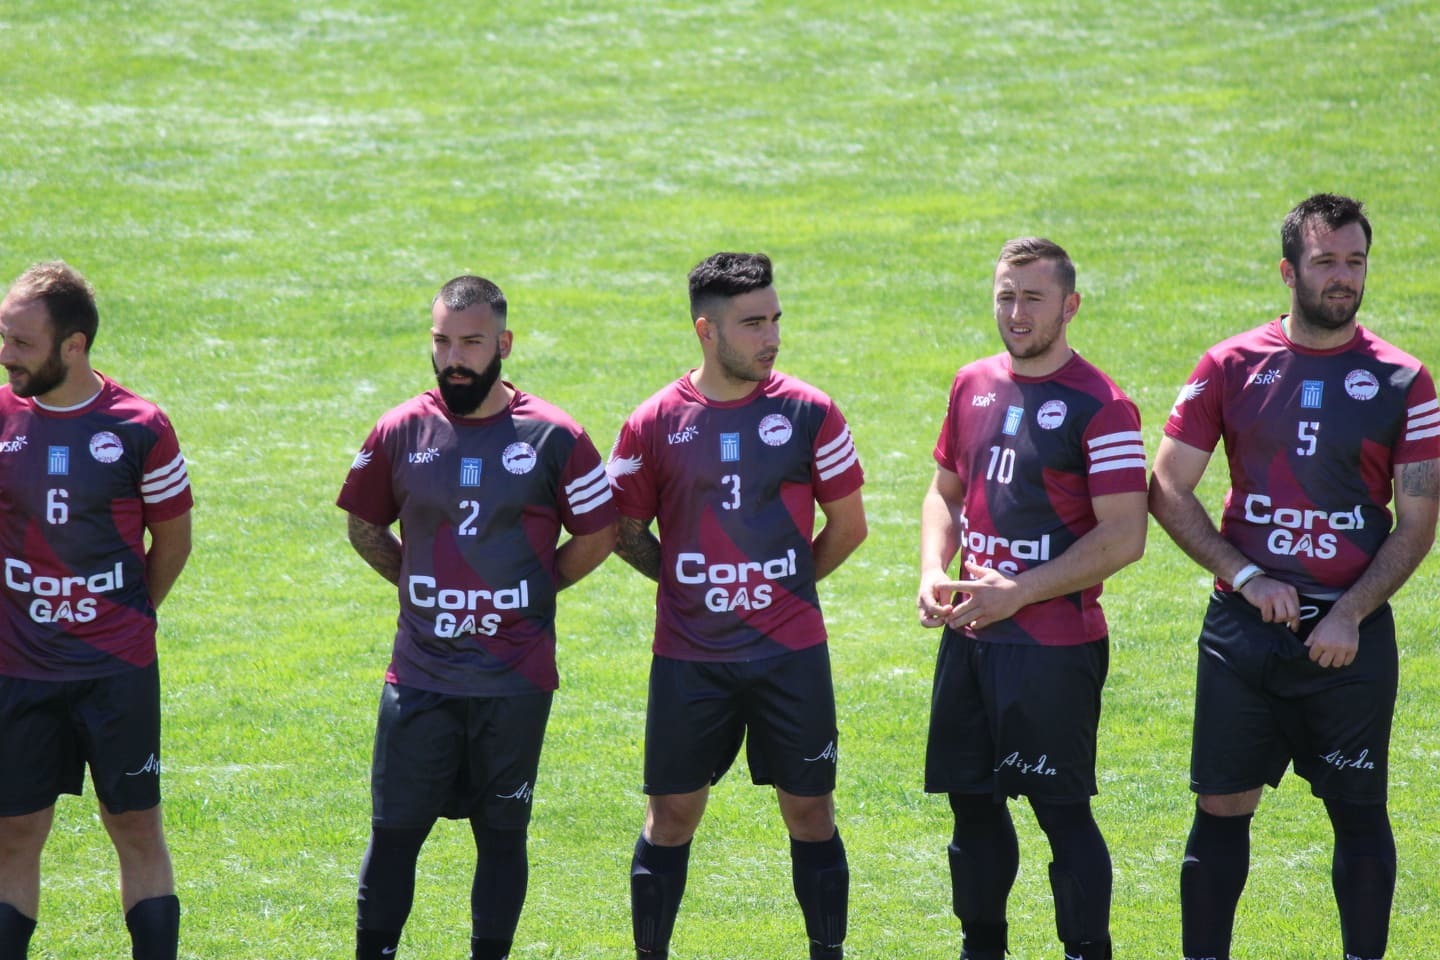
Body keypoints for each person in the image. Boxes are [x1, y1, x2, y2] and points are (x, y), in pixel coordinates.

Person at [1149, 193, 1440, 960]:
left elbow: (1417, 522)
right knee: (1221, 807)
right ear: (1289, 271)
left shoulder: (1404, 380)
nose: (1343, 277)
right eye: (1325, 261)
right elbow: (1167, 486)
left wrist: (1350, 612)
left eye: (1355, 261)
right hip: (1243, 634)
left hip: (1350, 636)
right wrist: (1245, 575)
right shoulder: (1229, 365)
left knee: (1358, 810)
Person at [337, 275, 617, 960]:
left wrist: (535, 588)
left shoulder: (554, 435)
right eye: (442, 342)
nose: (454, 358)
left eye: (470, 342)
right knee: (394, 835)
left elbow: (599, 533)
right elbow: (365, 526)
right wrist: (421, 587)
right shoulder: (401, 429)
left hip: (513, 681)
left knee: (502, 837)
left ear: (504, 343)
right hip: (421, 677)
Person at [606, 252, 867, 959]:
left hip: (790, 654)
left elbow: (849, 526)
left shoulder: (810, 412)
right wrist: (681, 583)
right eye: (753, 323)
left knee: (810, 812)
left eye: (775, 319)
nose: (772, 337)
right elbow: (621, 528)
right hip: (689, 657)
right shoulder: (654, 421)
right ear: (706, 330)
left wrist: (787, 591)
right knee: (671, 816)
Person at [916, 238, 1148, 960]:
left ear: (1070, 306)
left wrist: (1018, 593)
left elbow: (1125, 536)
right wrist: (932, 569)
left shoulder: (1102, 405)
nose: (1016, 313)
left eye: (1033, 298)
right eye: (1006, 296)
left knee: (1061, 813)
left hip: (1054, 648)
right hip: (970, 638)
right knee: (971, 808)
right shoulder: (971, 384)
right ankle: (981, 948)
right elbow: (945, 492)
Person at [0, 261, 193, 960]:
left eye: (22, 343)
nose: (6, 354)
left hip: (116, 672)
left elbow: (174, 540)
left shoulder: (140, 426)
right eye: (4, 337)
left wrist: (127, 614)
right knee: (14, 836)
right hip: (19, 669)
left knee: (136, 829)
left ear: (73, 345)